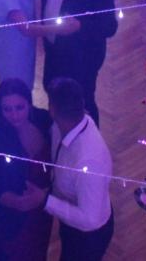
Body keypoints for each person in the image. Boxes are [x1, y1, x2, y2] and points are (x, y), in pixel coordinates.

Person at [25, 0, 118, 124]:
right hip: (54, 50)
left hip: (81, 57)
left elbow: (109, 26)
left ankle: (89, 139)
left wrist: (80, 26)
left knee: (82, 103)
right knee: (52, 92)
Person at [31, 78, 113, 260]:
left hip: (88, 238)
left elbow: (90, 220)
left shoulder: (89, 162)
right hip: (71, 224)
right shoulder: (64, 125)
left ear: (52, 109)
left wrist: (45, 201)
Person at [0, 78, 54, 261]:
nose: (14, 115)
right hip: (15, 219)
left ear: (29, 104)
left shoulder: (43, 119)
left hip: (43, 208)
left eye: (19, 107)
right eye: (7, 109)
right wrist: (24, 202)